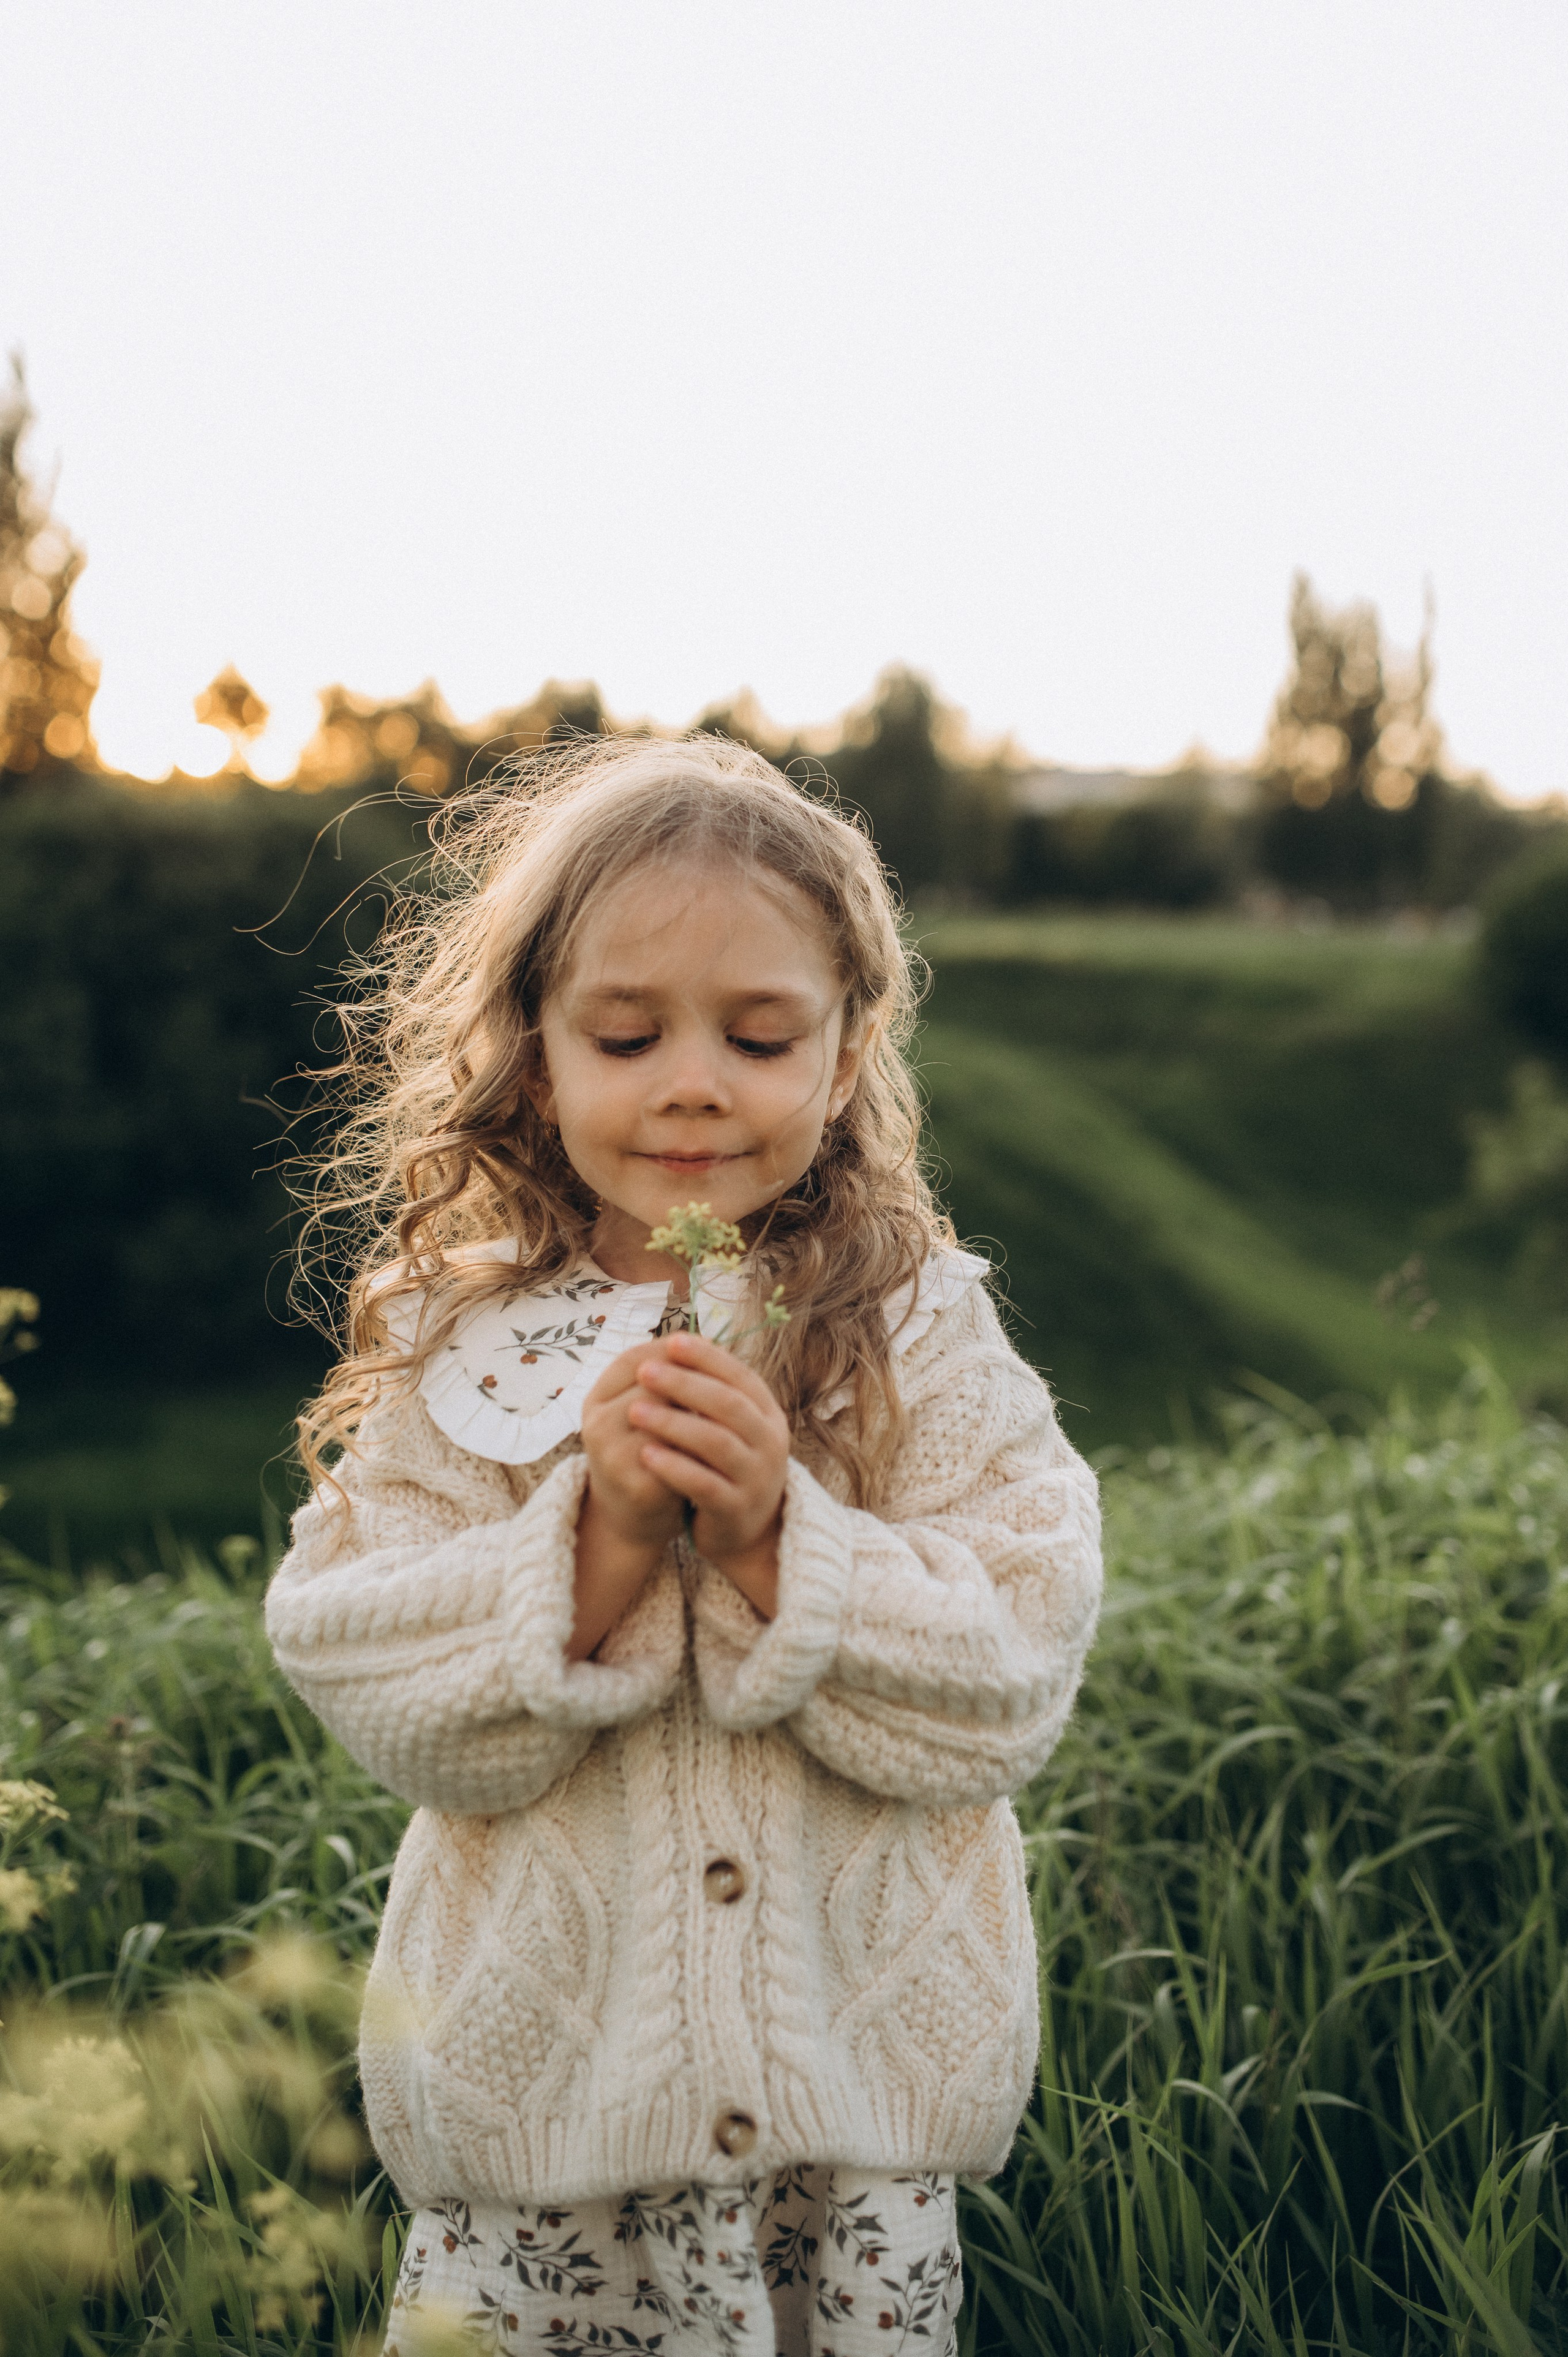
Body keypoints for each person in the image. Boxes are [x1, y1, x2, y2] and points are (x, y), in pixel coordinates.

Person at [265, 734, 1102, 2356]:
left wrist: (791, 1533)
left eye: (763, 1032)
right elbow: (356, 1650)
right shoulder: (476, 1341)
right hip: (545, 2127)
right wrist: (601, 1543)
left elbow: (1015, 1663)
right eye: (629, 1033)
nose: (694, 1080)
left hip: (843, 2148)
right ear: (534, 1055)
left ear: (848, 1054)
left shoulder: (914, 1330)